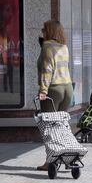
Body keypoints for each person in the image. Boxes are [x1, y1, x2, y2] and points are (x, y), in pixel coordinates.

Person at [37, 20, 73, 170]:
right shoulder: (63, 47)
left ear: (49, 31)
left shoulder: (47, 46)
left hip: (54, 89)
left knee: (49, 127)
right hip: (67, 88)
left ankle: (50, 162)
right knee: (62, 125)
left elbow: (47, 70)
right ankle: (68, 157)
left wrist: (43, 90)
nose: (42, 32)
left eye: (43, 29)